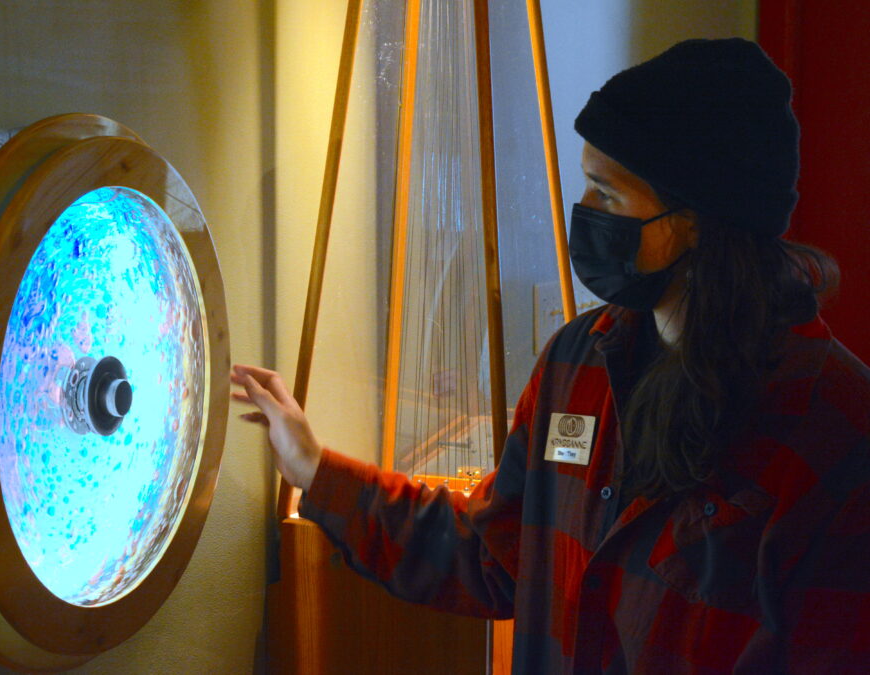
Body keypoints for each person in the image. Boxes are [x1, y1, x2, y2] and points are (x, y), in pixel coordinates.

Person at [232, 38, 870, 673]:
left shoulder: (834, 429)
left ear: (698, 219)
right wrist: (315, 470)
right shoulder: (576, 364)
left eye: (607, 192)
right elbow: (492, 554)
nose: (583, 213)